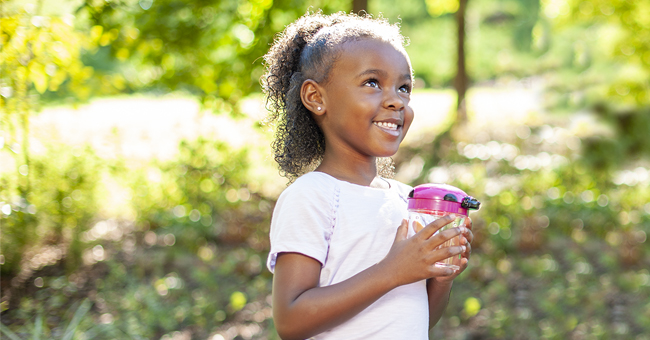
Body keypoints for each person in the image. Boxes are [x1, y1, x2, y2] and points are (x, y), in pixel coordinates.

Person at [262, 12, 474, 340]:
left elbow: (416, 319)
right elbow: (290, 321)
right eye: (372, 83)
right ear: (316, 98)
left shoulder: (408, 200)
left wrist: (440, 275)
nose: (395, 100)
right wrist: (392, 272)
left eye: (404, 88)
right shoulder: (312, 195)